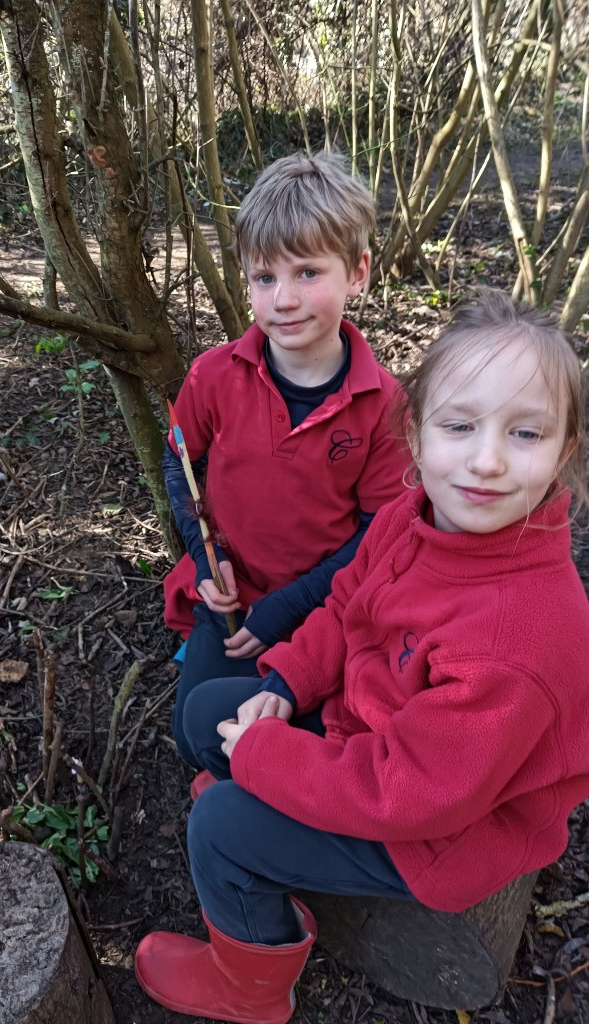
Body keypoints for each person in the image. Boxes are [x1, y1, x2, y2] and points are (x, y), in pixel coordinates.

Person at [135, 291, 589, 1024]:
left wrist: (265, 761)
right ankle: (271, 823)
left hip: (439, 833)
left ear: (564, 451)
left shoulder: (518, 637)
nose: (486, 460)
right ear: (414, 436)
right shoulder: (416, 519)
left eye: (526, 433)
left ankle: (248, 988)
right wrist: (287, 681)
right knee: (208, 713)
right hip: (371, 733)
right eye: (459, 425)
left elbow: (410, 793)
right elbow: (347, 604)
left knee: (219, 826)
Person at [164, 151, 408, 773]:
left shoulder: (385, 403)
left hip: (326, 607)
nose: (284, 300)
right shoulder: (213, 375)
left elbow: (378, 533)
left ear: (358, 273)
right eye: (264, 278)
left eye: (307, 273)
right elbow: (181, 468)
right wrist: (204, 558)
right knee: (197, 733)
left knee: (323, 727)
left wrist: (291, 608)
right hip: (232, 598)